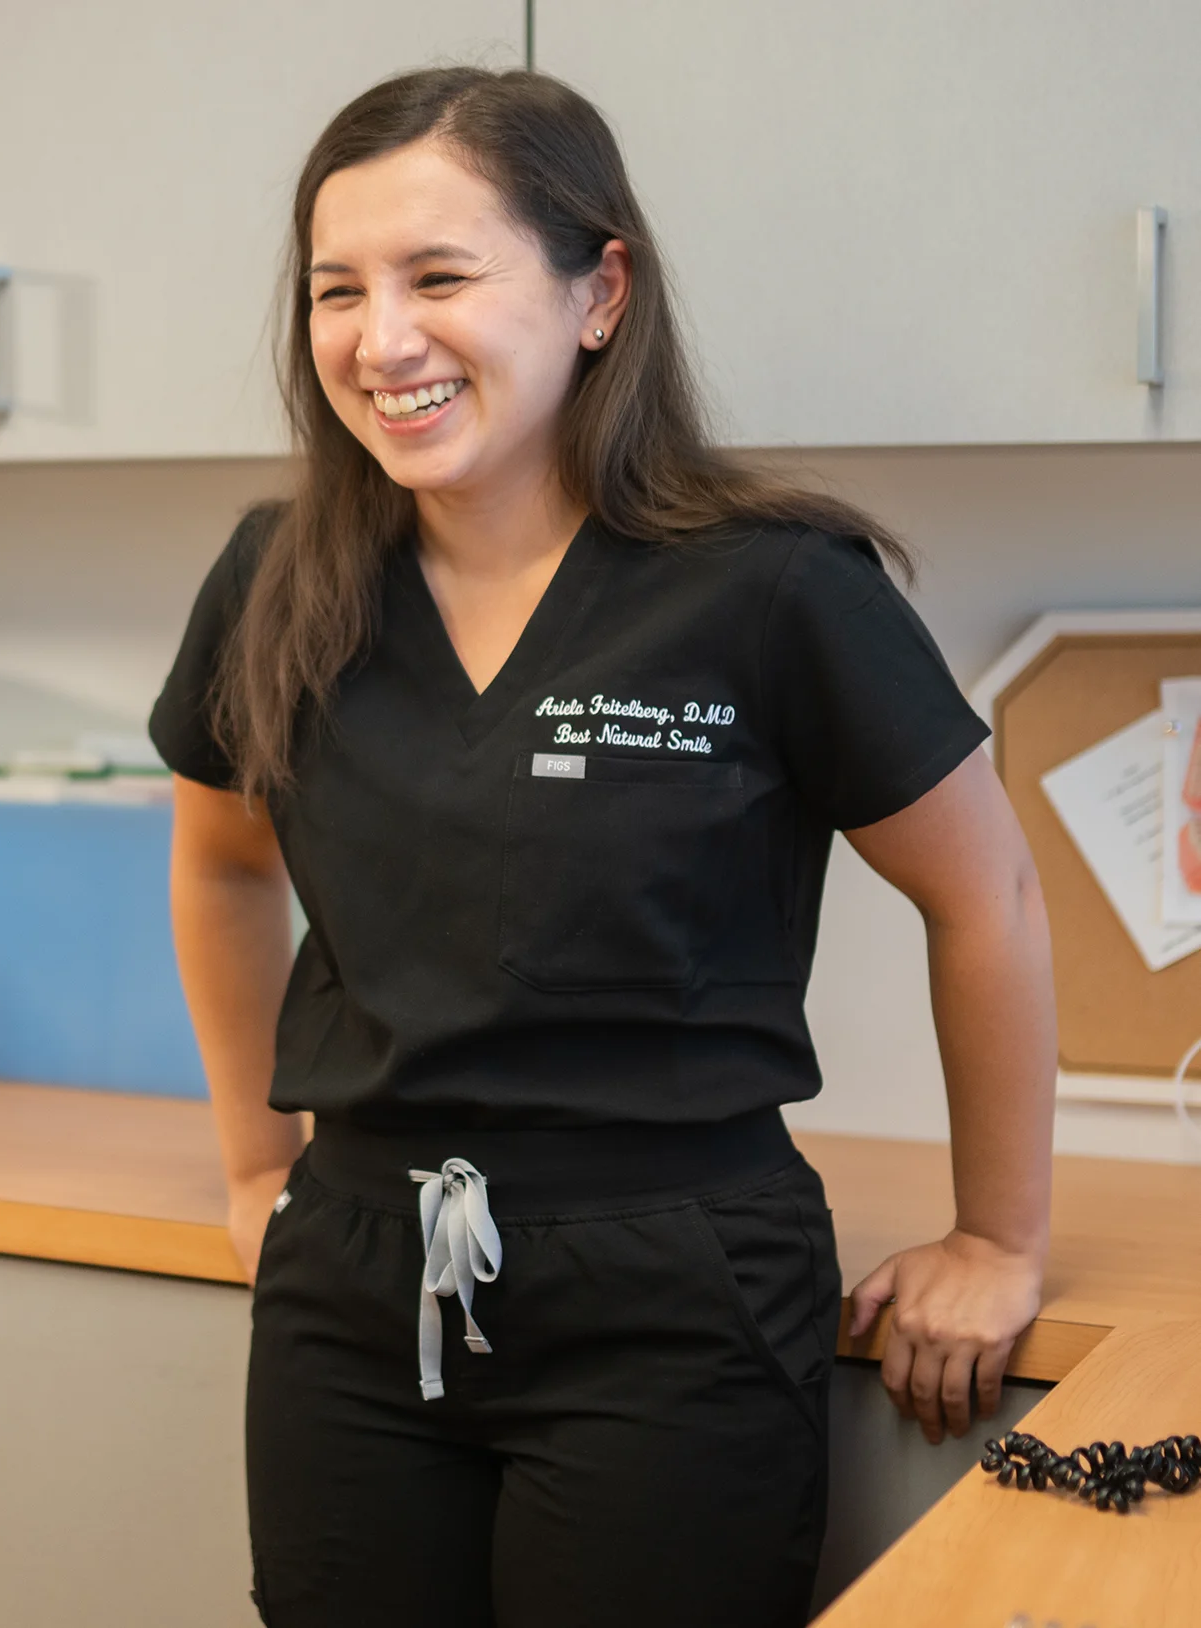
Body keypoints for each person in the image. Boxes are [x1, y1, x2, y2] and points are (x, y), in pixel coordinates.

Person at [151, 68, 1055, 1627]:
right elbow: (222, 866)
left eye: (439, 277)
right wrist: (252, 1162)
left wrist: (997, 1232)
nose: (383, 341)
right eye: (336, 291)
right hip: (354, 1287)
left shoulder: (771, 588)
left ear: (596, 292)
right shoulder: (275, 577)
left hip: (674, 1294)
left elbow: (987, 896)